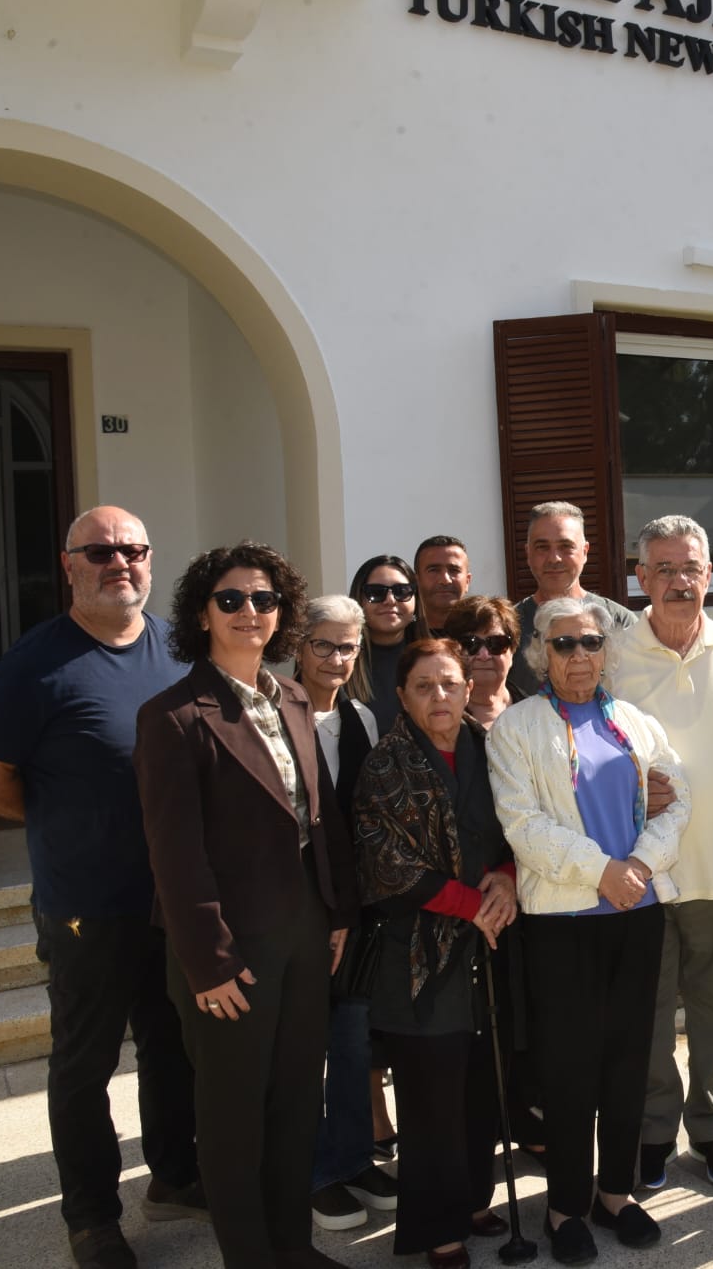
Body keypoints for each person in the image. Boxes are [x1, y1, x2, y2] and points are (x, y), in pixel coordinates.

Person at [0, 505, 204, 1269]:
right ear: (69, 566)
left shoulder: (177, 646)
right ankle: (92, 1217)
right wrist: (62, 816)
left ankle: (175, 1174)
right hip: (86, 906)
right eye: (100, 551)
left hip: (171, 899)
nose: (119, 562)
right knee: (85, 1063)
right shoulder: (34, 664)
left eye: (133, 549)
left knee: (172, 1046)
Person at [135, 542, 360, 1269]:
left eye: (264, 599)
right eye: (230, 599)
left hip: (303, 929)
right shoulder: (173, 716)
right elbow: (175, 853)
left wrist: (336, 912)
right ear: (202, 614)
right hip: (229, 945)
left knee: (296, 1099)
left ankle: (291, 1244)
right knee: (234, 1114)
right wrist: (209, 962)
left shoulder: (292, 696)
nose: (249, 612)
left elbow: (319, 813)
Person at [486, 597, 691, 1266]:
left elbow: (677, 799)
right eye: (564, 643)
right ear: (541, 653)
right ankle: (566, 1206)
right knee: (569, 1068)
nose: (580, 655)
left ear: (607, 650)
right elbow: (523, 825)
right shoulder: (515, 728)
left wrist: (639, 865)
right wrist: (602, 870)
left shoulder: (634, 721)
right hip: (563, 921)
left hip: (637, 911)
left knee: (629, 1060)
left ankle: (615, 1193)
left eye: (591, 642)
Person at [611, 515, 713, 1189]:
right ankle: (654, 1129)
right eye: (665, 569)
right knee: (647, 1011)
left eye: (692, 569)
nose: (680, 582)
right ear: (641, 578)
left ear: (710, 574)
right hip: (640, 874)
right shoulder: (611, 653)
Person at [355, 638, 520, 1267]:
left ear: (468, 688)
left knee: (481, 1084)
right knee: (431, 1098)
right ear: (402, 697)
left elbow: (519, 827)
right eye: (423, 686)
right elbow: (387, 863)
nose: (440, 696)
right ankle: (438, 1229)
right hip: (419, 954)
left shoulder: (491, 747)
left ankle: (473, 1201)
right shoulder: (385, 764)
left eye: (449, 683)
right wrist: (471, 903)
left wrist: (506, 878)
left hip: (492, 940)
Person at [294, 595, 400, 1236]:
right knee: (305, 1047)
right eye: (324, 645)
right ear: (298, 645)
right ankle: (314, 1173)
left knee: (354, 1042)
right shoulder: (274, 717)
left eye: (348, 647)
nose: (337, 659)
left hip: (357, 913)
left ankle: (355, 1159)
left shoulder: (360, 717)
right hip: (298, 911)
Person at [508, 501, 637, 700]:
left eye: (566, 547)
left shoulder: (621, 622)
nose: (554, 558)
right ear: (528, 554)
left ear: (585, 551)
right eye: (542, 547)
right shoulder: (508, 627)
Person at [349, 554, 426, 737]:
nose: (390, 600)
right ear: (359, 600)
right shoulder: (339, 660)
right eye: (376, 592)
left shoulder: (439, 658)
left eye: (402, 591)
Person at [442, 594, 526, 729]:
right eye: (470, 644)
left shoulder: (537, 712)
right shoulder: (437, 714)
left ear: (513, 651)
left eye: (496, 643)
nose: (484, 655)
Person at [415, 536, 473, 635]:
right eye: (434, 570)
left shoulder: (488, 635)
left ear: (467, 581)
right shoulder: (399, 636)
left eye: (454, 570)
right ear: (417, 581)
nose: (445, 580)